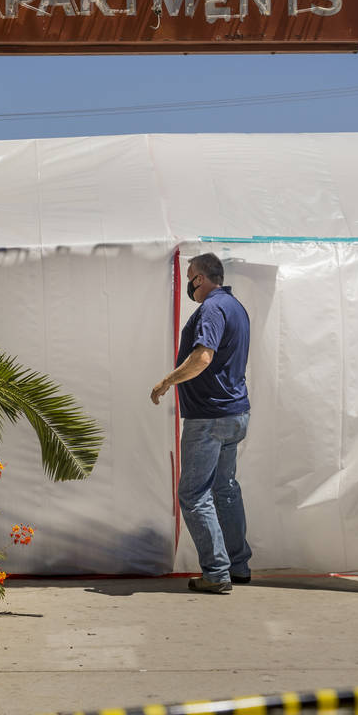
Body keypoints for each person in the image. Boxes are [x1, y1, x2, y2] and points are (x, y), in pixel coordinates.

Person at [151, 253, 251, 594]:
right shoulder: (236, 307)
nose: (190, 282)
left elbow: (203, 356)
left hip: (209, 418)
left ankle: (217, 572)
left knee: (193, 495)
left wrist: (168, 381)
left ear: (202, 278)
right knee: (225, 489)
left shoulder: (211, 308)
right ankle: (238, 565)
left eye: (191, 276)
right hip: (234, 413)